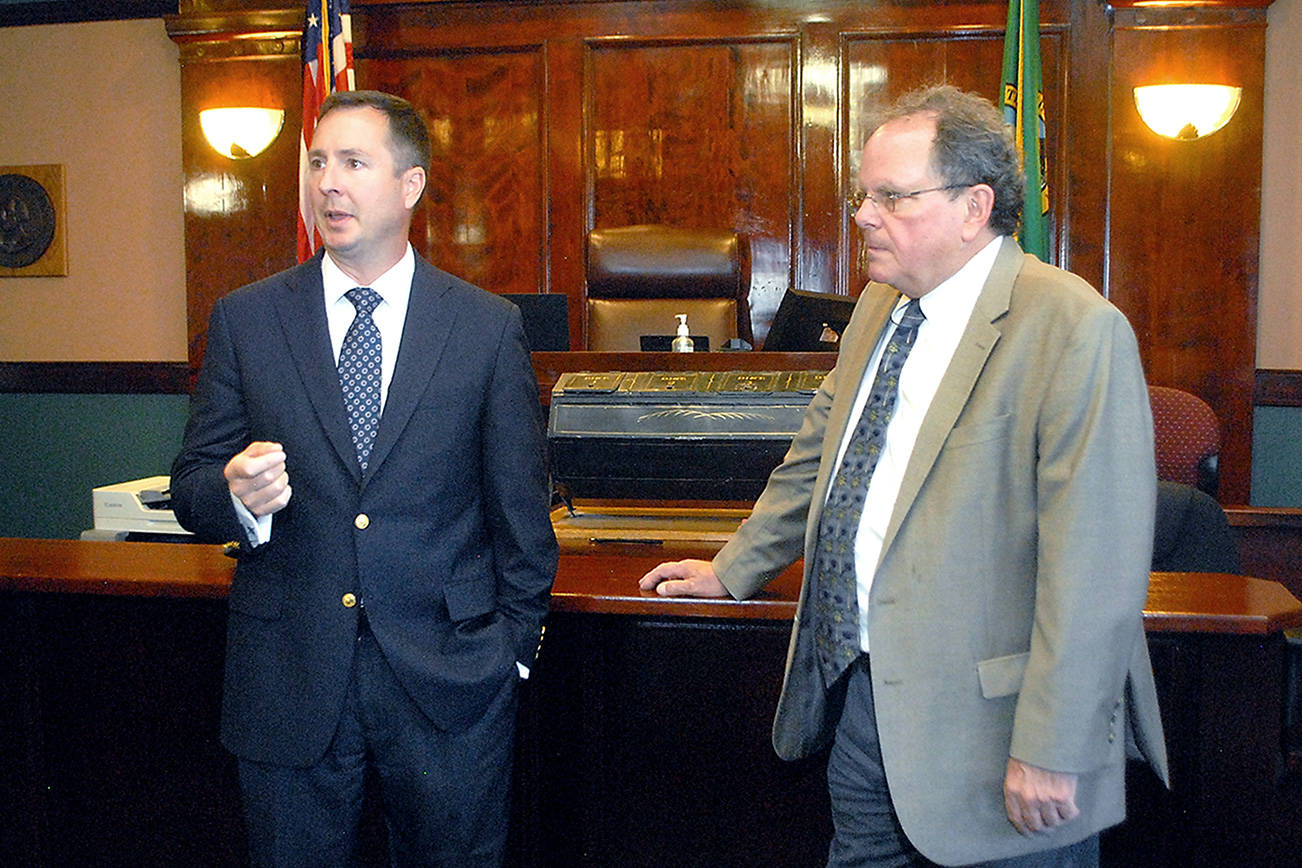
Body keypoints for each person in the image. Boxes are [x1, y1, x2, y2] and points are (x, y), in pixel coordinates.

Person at [640, 85, 1167, 867]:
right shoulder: (880, 307)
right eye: (863, 193)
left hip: (1000, 731)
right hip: (865, 703)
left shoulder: (1073, 328)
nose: (861, 215)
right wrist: (733, 567)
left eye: (891, 196)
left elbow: (1097, 566)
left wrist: (1055, 744)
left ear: (973, 206)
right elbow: (819, 462)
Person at [171, 90, 557, 866]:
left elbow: (522, 511)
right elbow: (191, 486)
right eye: (318, 163)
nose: (328, 184)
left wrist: (511, 651)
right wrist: (234, 495)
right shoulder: (248, 318)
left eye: (353, 163)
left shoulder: (483, 328)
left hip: (449, 682)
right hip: (288, 680)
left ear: (409, 186)